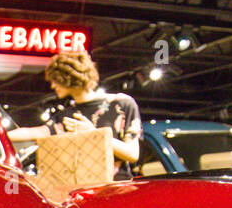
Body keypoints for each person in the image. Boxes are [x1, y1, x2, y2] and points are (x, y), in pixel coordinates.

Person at [8, 50, 143, 179]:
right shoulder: (66, 115)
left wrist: (93, 134)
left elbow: (132, 153)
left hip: (115, 190)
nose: (53, 86)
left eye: (56, 80)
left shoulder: (122, 104)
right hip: (79, 192)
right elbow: (35, 133)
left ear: (68, 77)